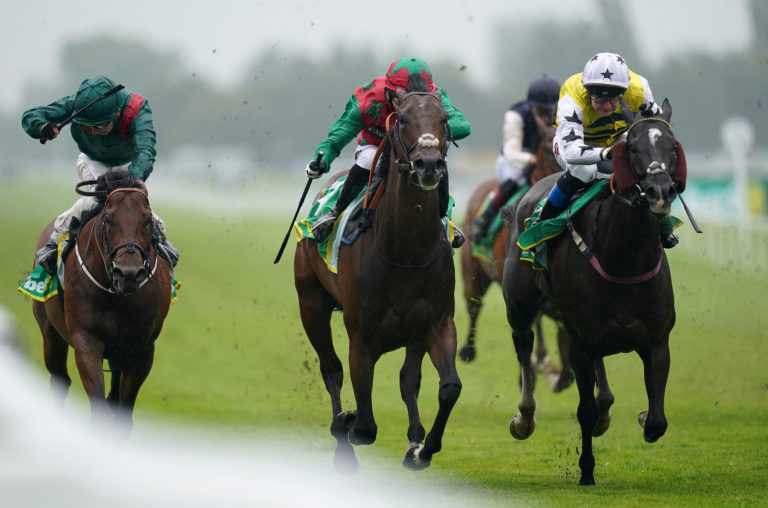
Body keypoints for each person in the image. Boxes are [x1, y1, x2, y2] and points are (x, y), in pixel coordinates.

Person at [305, 56, 471, 247]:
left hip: (412, 149)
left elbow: (463, 126)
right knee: (367, 160)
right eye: (404, 100)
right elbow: (338, 137)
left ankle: (443, 221)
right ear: (389, 93)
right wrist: (323, 159)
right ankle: (335, 212)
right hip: (375, 147)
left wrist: (428, 128)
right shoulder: (367, 99)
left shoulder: (435, 97)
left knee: (437, 161)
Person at [22, 76, 178, 275]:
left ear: (117, 114)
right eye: (88, 127)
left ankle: (160, 240)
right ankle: (53, 243)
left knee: (133, 205)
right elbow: (31, 115)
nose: (93, 132)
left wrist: (132, 177)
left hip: (129, 165)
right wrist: (42, 127)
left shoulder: (138, 109)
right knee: (98, 199)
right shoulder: (80, 103)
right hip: (92, 160)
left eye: (100, 126)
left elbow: (146, 152)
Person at [535, 52, 678, 248]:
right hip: (575, 142)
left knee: (642, 162)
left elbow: (656, 128)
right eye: (600, 100)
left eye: (614, 99)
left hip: (616, 135)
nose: (608, 105)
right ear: (588, 92)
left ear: (624, 92)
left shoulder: (639, 89)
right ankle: (543, 220)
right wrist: (607, 153)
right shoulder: (572, 98)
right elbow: (572, 151)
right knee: (585, 171)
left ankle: (661, 222)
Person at [468, 74, 560, 242]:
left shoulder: (566, 112)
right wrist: (531, 160)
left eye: (551, 112)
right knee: (515, 179)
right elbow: (512, 152)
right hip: (514, 162)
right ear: (532, 108)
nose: (547, 118)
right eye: (542, 112)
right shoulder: (516, 115)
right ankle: (484, 223)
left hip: (549, 158)